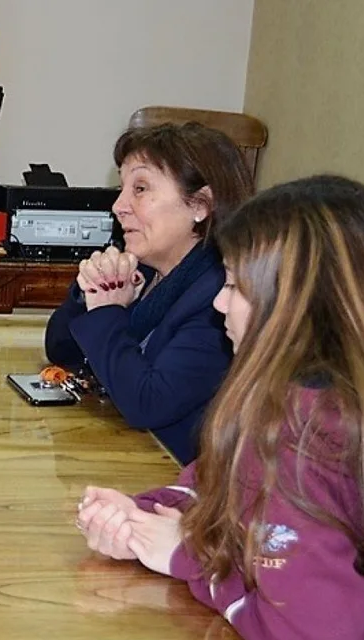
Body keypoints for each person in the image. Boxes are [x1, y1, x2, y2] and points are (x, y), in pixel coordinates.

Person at [75, 175, 364, 640]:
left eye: (234, 286)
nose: (217, 302)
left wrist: (188, 557)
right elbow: (215, 480)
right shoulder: (341, 397)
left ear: (294, 308)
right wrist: (141, 517)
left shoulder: (311, 438)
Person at [44, 122, 253, 464]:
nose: (118, 205)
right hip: (120, 458)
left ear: (200, 205)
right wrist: (91, 292)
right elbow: (61, 347)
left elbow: (148, 403)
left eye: (140, 188)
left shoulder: (222, 295)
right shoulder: (143, 269)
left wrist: (106, 313)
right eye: (122, 187)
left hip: (174, 482)